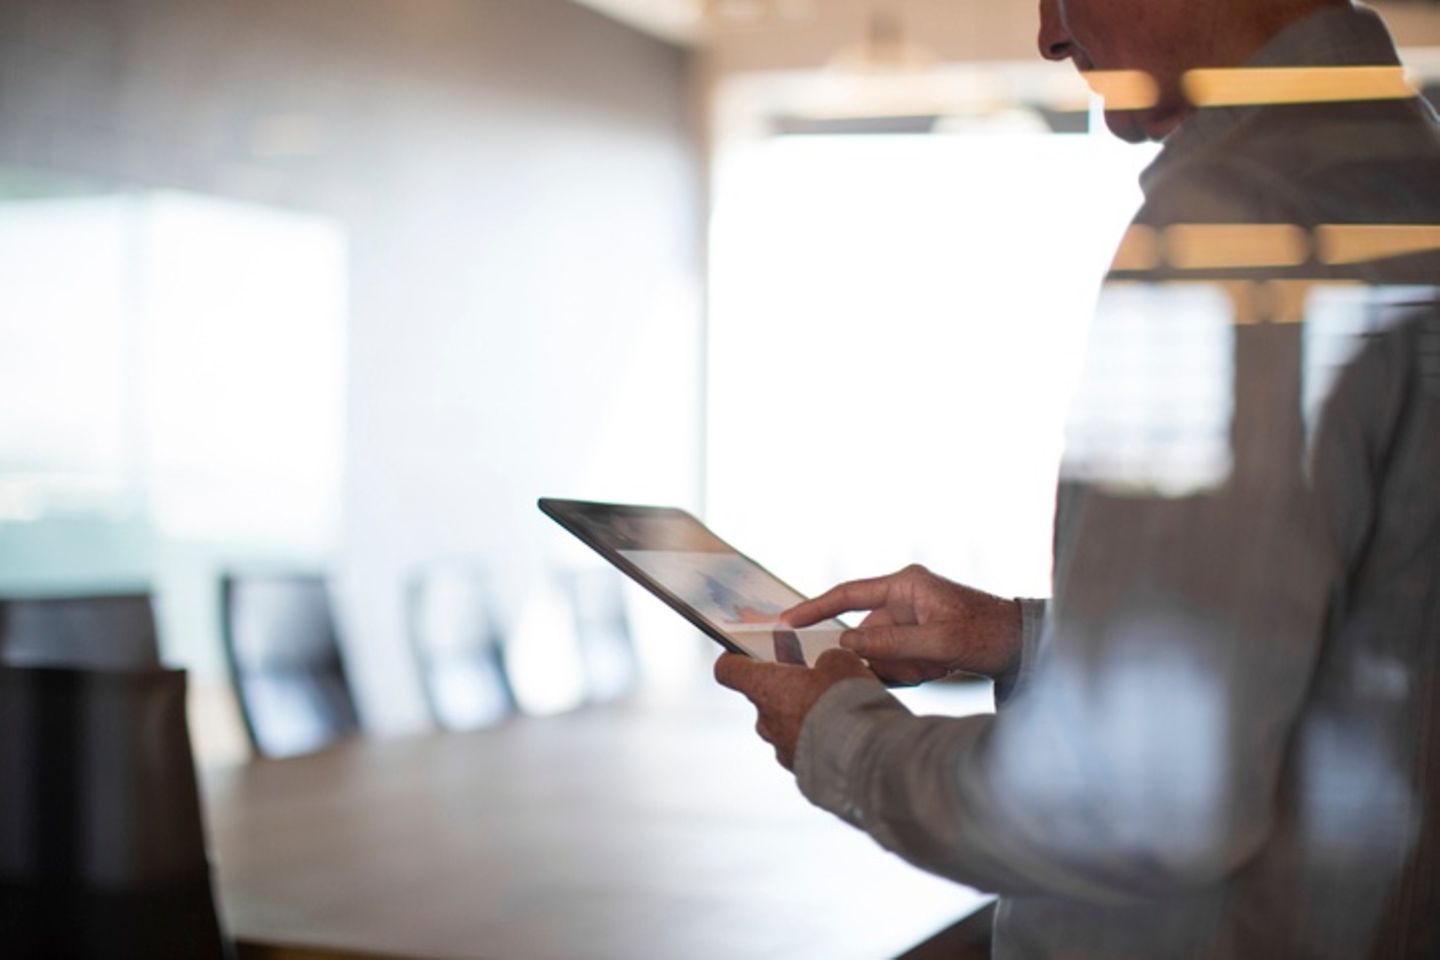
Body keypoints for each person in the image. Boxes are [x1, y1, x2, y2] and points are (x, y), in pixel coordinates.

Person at [717, 0, 1440, 955]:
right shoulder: (1405, 167)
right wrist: (1018, 639)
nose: (1049, 35)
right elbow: (1367, 646)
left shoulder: (1244, 215)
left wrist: (841, 737)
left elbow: (1136, 789)